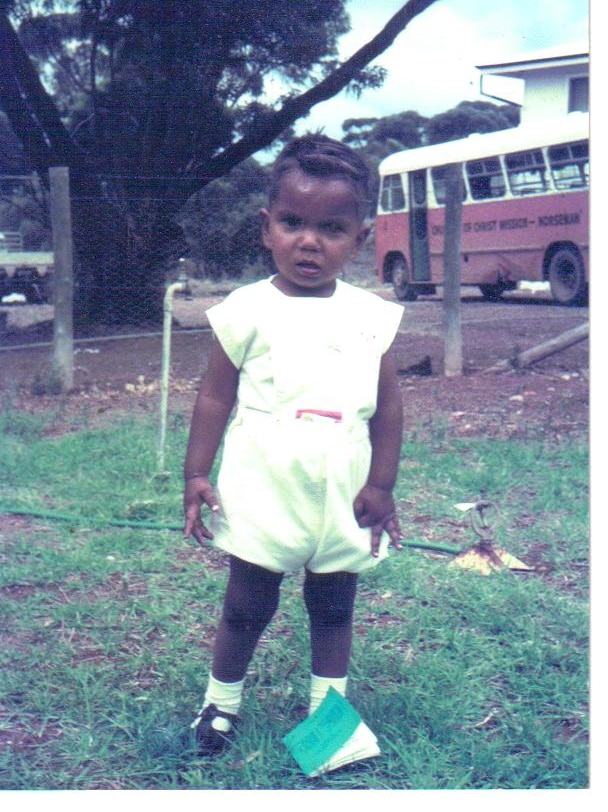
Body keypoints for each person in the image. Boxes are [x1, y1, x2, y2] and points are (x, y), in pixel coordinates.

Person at [182, 133, 404, 757]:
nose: (310, 241)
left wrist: (381, 485)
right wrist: (196, 473)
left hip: (342, 482)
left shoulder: (372, 315)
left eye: (332, 228)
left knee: (334, 603)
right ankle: (219, 705)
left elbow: (389, 407)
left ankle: (327, 718)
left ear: (361, 239)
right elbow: (213, 398)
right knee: (247, 601)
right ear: (266, 228)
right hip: (265, 479)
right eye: (292, 223)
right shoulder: (246, 309)